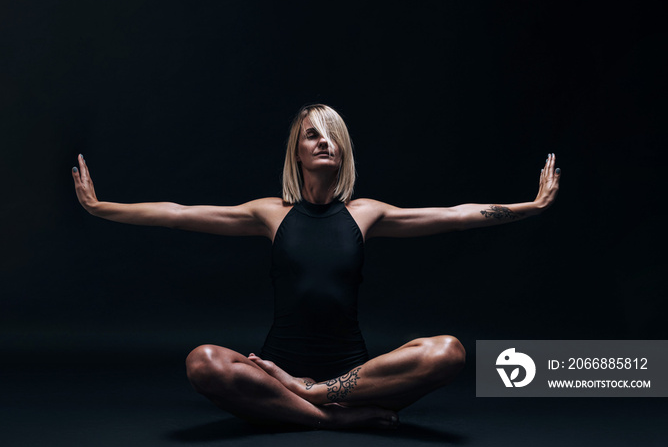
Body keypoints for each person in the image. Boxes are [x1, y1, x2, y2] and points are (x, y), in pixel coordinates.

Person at [72, 104, 560, 430]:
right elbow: (179, 214)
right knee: (203, 362)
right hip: (274, 371)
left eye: (332, 136)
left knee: (449, 352)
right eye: (312, 136)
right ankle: (334, 418)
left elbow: (455, 216)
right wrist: (101, 208)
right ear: (298, 152)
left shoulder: (367, 213)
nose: (324, 142)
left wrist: (530, 207)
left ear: (342, 149)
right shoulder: (270, 212)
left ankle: (315, 398)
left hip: (357, 375)